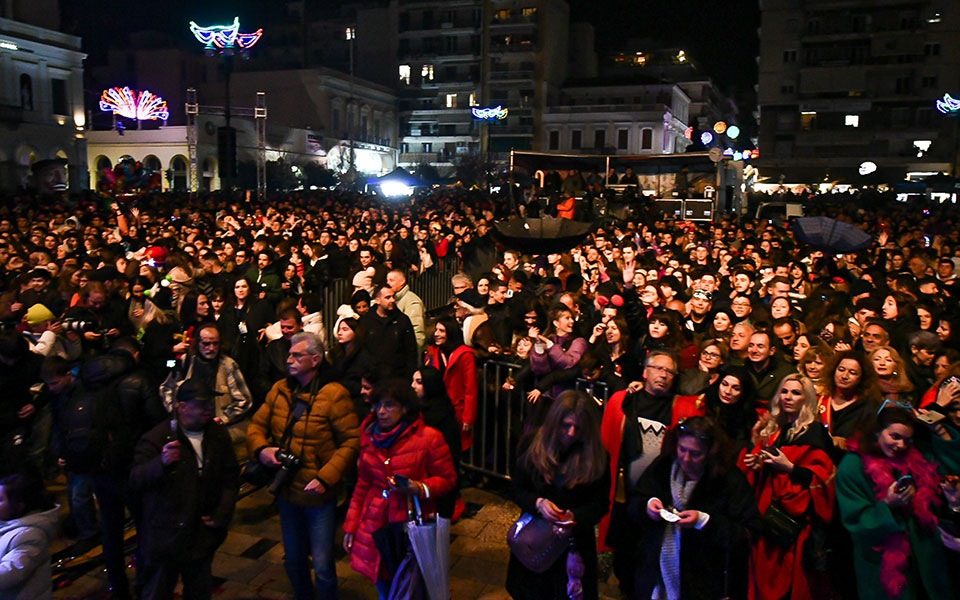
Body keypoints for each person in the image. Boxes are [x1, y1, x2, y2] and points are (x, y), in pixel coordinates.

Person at [245, 332, 361, 600]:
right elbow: (257, 425)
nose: (289, 360)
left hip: (318, 495)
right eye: (289, 354)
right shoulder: (280, 390)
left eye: (297, 355)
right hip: (287, 491)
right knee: (294, 559)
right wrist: (262, 450)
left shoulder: (334, 394)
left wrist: (326, 477)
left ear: (316, 359)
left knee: (322, 564)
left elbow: (351, 441)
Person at [342, 379, 456, 599]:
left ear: (404, 408)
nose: (381, 411)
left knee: (412, 587)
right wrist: (351, 525)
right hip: (377, 525)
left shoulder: (429, 438)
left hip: (411, 527)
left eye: (389, 405)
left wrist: (419, 488)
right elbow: (363, 484)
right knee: (385, 586)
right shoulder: (370, 437)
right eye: (378, 405)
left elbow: (448, 479)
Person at [129, 381, 239, 600]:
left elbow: (230, 477)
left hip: (200, 536)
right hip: (165, 536)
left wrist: (222, 514)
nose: (208, 409)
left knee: (199, 590)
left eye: (210, 403)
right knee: (158, 590)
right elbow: (136, 479)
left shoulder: (216, 434)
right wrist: (161, 463)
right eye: (201, 404)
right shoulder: (157, 438)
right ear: (182, 407)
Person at [630, 416, 760, 600]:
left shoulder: (730, 479)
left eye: (696, 453)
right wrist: (648, 505)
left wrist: (705, 521)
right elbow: (636, 501)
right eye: (682, 449)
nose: (686, 458)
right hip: (656, 577)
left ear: (711, 452)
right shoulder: (663, 466)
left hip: (704, 583)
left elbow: (748, 534)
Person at [836, 404, 953, 599]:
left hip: (925, 563)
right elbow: (856, 522)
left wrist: (940, 430)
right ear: (877, 432)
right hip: (883, 566)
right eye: (895, 436)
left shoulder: (914, 457)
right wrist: (888, 505)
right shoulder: (852, 467)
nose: (901, 445)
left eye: (907, 440)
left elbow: (950, 470)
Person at [506, 391, 609, 600]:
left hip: (575, 546)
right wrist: (538, 503)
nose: (571, 433)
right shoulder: (532, 446)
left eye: (578, 428)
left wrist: (575, 517)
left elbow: (600, 504)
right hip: (536, 541)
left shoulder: (597, 456)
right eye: (565, 425)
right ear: (554, 422)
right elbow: (516, 489)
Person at [740, 374, 835, 600]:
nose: (788, 397)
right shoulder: (775, 428)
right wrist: (757, 459)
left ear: (806, 398)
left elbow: (823, 476)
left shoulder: (813, 431)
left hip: (795, 521)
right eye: (784, 391)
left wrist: (790, 467)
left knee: (793, 581)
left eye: (795, 393)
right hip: (767, 512)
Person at [160, 324, 253, 444]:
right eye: (206, 344)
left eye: (215, 343)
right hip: (189, 428)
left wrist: (223, 418)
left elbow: (244, 400)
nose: (211, 348)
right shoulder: (186, 361)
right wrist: (177, 412)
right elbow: (166, 389)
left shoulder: (228, 365)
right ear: (198, 344)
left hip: (218, 431)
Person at [411, 367, 462, 519]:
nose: (413, 386)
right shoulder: (414, 409)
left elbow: (451, 454)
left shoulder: (442, 414)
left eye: (419, 382)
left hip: (436, 480)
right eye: (413, 381)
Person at [0, 470, 58, 600]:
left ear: (19, 506)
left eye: (0, 500)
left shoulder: (30, 536)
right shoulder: (7, 524)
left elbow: (11, 572)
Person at [423, 316, 478, 450]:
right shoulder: (432, 352)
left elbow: (470, 389)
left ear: (451, 332)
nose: (437, 334)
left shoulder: (465, 355)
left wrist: (468, 418)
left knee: (453, 449)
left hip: (455, 411)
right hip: (434, 409)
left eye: (441, 331)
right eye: (436, 330)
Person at [359, 284, 418, 379]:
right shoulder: (366, 321)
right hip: (373, 376)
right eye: (388, 297)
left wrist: (409, 375)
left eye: (393, 296)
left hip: (398, 376)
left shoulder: (402, 320)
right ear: (378, 300)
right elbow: (362, 349)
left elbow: (411, 350)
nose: (392, 300)